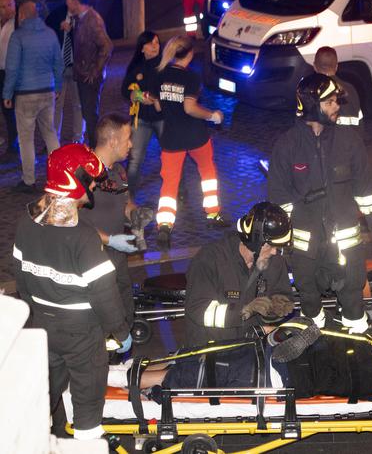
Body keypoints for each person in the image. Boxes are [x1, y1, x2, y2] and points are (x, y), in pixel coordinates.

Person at [13, 143, 132, 440]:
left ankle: (39, 438)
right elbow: (104, 294)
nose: (93, 186)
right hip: (82, 336)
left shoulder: (25, 224)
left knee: (44, 394)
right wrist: (120, 331)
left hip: (42, 329)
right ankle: (86, 440)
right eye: (90, 180)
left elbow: (22, 281)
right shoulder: (83, 237)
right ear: (75, 180)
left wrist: (40, 313)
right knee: (87, 400)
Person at [267, 73, 372, 334]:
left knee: (352, 294)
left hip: (345, 244)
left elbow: (366, 190)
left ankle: (357, 332)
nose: (336, 106)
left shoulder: (349, 141)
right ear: (311, 105)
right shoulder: (287, 146)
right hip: (305, 247)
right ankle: (312, 336)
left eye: (336, 101)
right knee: (308, 295)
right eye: (329, 102)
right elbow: (279, 198)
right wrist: (281, 240)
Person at [108, 332, 372, 403]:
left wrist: (306, 344)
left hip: (282, 371)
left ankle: (118, 380)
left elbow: (336, 374)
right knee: (203, 354)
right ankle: (130, 369)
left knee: (202, 372)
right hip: (282, 360)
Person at [154, 34, 227, 250]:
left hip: (171, 137)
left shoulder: (160, 74)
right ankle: (213, 214)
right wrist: (213, 115)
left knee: (169, 183)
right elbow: (189, 108)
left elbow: (158, 107)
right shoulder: (191, 78)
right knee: (207, 174)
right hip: (196, 136)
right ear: (190, 54)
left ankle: (164, 225)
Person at [185, 202, 294, 346]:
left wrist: (274, 310)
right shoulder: (209, 259)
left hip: (252, 347)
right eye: (270, 246)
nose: (274, 251)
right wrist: (244, 310)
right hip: (212, 347)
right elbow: (199, 310)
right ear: (254, 242)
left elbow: (282, 294)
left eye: (277, 246)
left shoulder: (275, 262)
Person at [80, 113, 146, 333]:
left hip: (117, 260)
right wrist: (109, 240)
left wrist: (136, 214)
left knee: (124, 311)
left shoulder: (118, 171)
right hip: (92, 260)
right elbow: (70, 221)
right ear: (112, 141)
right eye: (127, 139)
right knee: (102, 320)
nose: (131, 144)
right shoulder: (82, 173)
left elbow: (125, 202)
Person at [3, 1, 62, 193]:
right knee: (50, 133)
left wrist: (7, 93)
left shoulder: (18, 36)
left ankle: (29, 180)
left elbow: (12, 68)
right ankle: (60, 175)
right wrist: (58, 86)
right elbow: (58, 63)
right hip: (47, 90)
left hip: (26, 94)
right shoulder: (50, 34)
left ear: (21, 16)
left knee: (26, 138)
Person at [66, 0, 113, 149]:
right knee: (88, 114)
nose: (66, 3)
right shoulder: (81, 18)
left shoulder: (92, 20)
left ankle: (96, 150)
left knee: (90, 115)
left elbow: (107, 46)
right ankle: (95, 148)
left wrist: (95, 71)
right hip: (83, 74)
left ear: (75, 0)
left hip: (89, 77)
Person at [121, 30, 163, 198]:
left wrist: (158, 99)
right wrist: (137, 95)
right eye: (151, 43)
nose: (155, 46)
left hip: (162, 119)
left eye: (157, 43)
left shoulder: (165, 65)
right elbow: (124, 90)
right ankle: (129, 196)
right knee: (135, 158)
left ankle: (180, 192)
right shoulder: (136, 67)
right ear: (142, 48)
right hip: (142, 120)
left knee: (171, 154)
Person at [46, 2, 85, 144]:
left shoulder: (83, 16)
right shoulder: (56, 14)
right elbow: (46, 30)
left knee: (78, 104)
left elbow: (87, 38)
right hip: (59, 67)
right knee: (57, 104)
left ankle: (78, 138)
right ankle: (54, 139)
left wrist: (73, 30)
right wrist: (59, 27)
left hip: (77, 67)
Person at [313, 46, 364, 135]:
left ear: (314, 67)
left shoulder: (312, 92)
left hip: (331, 143)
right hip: (354, 141)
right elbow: (360, 123)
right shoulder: (351, 89)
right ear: (336, 66)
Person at [0, 0, 17, 162]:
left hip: (13, 73)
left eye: (9, 5)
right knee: (5, 110)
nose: (7, 9)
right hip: (1, 73)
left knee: (13, 109)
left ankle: (14, 144)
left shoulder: (18, 24)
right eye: (3, 7)